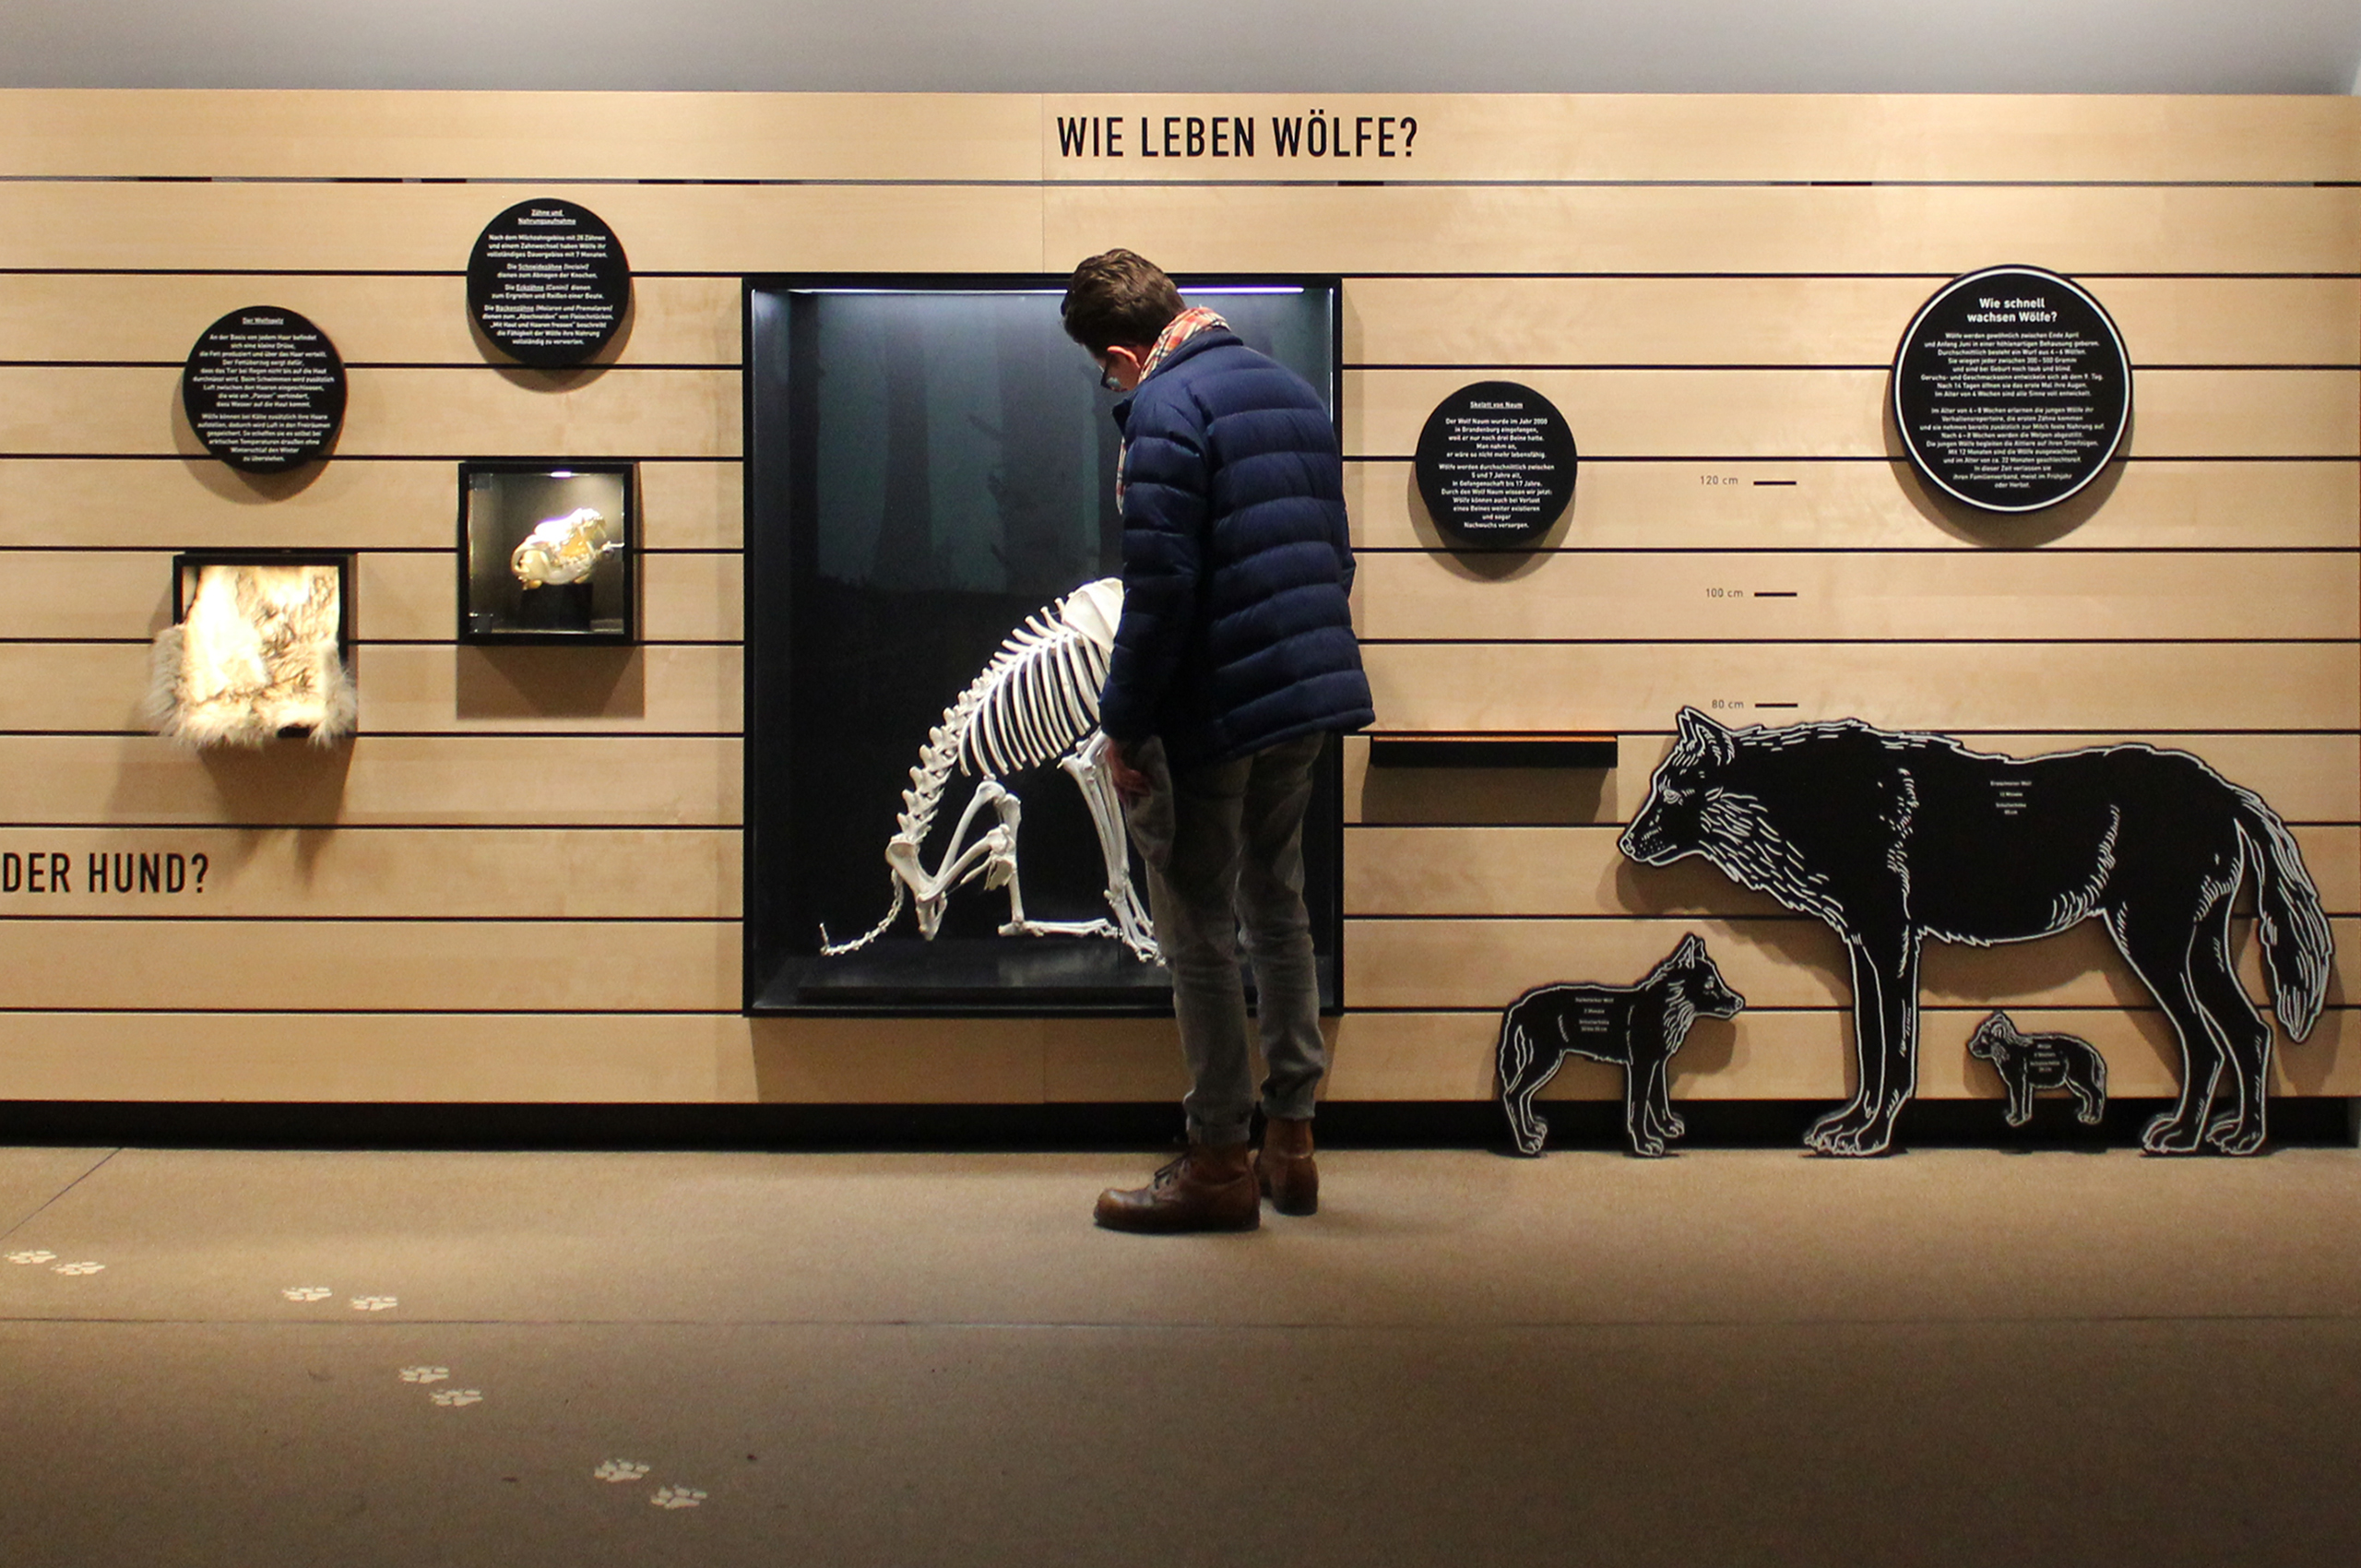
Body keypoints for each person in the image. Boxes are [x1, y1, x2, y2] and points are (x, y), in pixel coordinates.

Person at [1061, 250, 1374, 1233]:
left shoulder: (1163, 408)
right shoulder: (1289, 391)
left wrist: (1121, 723)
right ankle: (1292, 1141)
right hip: (1303, 695)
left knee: (1196, 926)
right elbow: (1336, 555)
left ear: (1121, 351)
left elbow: (1160, 588)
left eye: (1103, 371)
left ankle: (1217, 1159)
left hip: (1210, 709)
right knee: (1276, 901)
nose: (1111, 386)